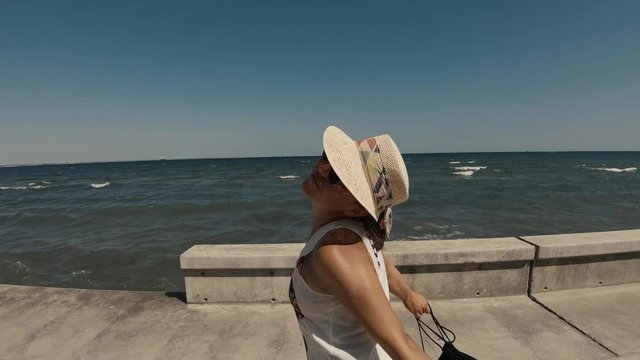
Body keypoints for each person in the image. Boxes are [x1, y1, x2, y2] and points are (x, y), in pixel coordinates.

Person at [289, 125, 432, 360]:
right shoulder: (354, 235)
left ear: (355, 208)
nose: (321, 169)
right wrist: (407, 294)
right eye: (327, 158)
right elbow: (381, 265)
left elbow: (404, 348)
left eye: (336, 176)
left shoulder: (336, 252)